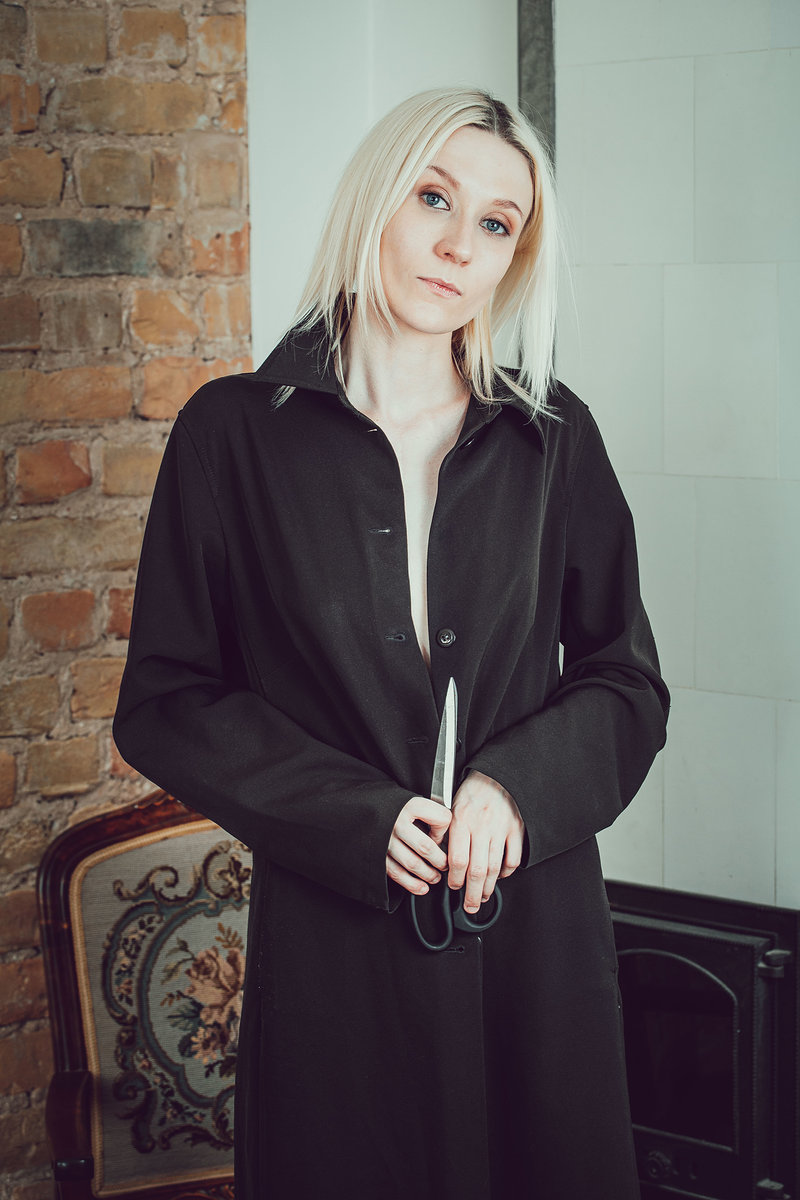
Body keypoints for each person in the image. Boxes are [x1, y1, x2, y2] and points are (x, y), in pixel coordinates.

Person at [114, 87, 669, 1200]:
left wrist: (514, 790)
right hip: (337, 959)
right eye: (434, 199)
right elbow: (168, 700)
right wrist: (353, 817)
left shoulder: (554, 436)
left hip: (533, 939)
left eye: (497, 223)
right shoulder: (230, 434)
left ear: (513, 257)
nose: (460, 246)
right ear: (377, 199)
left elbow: (625, 682)